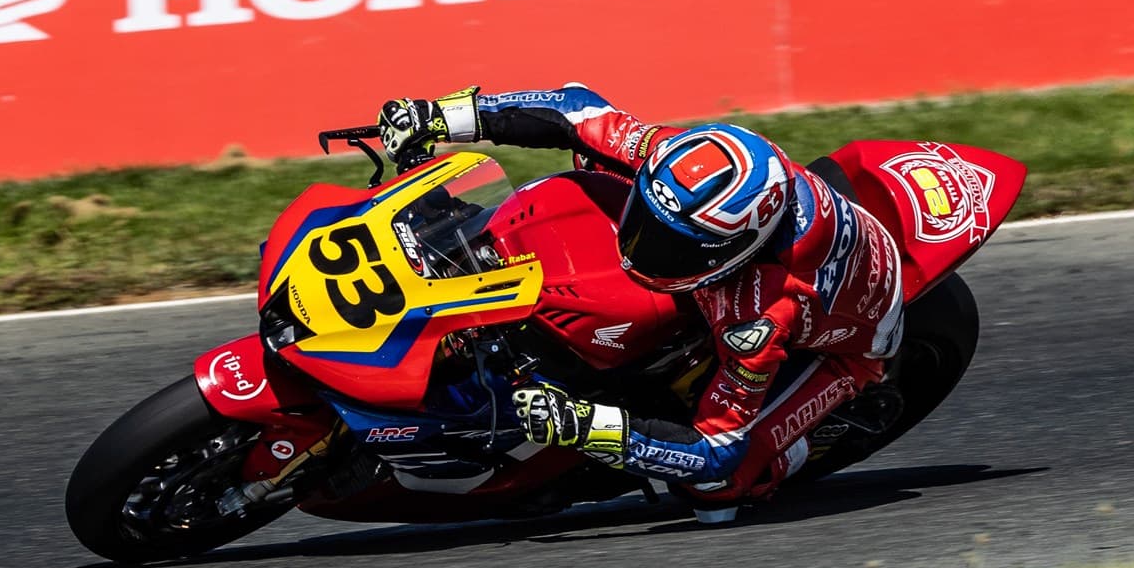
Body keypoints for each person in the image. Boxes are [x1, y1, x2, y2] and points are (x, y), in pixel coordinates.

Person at [377, 84, 905, 522]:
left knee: (716, 491)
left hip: (850, 346)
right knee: (593, 158)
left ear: (733, 251)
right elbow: (576, 109)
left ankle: (806, 443)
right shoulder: (677, 159)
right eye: (648, 222)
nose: (642, 245)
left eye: (672, 245)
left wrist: (586, 426)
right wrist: (442, 116)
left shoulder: (760, 315)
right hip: (780, 251)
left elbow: (716, 448)